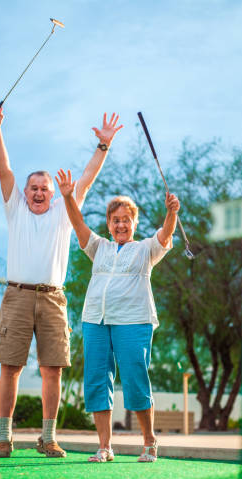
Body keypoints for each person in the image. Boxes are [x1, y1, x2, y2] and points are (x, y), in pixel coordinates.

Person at [0, 106, 123, 458]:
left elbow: (88, 178)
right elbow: (4, 168)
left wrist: (103, 145)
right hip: (17, 296)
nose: (37, 192)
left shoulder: (64, 210)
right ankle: (5, 436)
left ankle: (48, 437)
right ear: (25, 191)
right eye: (32, 188)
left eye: (44, 188)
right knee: (10, 368)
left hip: (52, 298)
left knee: (52, 370)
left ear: (52, 192)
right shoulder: (14, 208)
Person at [55, 168, 180, 462]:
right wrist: (68, 196)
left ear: (134, 223)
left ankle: (149, 442)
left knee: (136, 377)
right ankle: (104, 447)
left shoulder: (146, 249)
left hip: (134, 321)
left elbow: (166, 234)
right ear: (109, 225)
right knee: (98, 379)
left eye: (126, 219)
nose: (121, 224)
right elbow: (77, 223)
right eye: (116, 220)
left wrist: (171, 212)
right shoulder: (99, 247)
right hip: (95, 320)